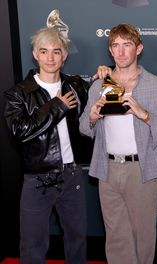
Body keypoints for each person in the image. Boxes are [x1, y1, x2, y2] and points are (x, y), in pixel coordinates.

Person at [79, 23, 157, 264]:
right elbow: (84, 128)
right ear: (110, 51)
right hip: (107, 169)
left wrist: (144, 114)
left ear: (139, 48)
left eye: (127, 45)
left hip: (141, 170)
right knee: (115, 236)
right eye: (115, 46)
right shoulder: (99, 86)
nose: (121, 51)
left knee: (143, 235)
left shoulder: (156, 86)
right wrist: (93, 116)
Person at [3, 27, 100, 264]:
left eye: (56, 52)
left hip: (71, 174)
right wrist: (55, 106)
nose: (50, 58)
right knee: (33, 243)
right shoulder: (18, 93)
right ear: (35, 54)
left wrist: (106, 75)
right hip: (38, 179)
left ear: (64, 55)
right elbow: (20, 131)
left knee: (77, 239)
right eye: (44, 51)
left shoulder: (76, 85)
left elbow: (98, 104)